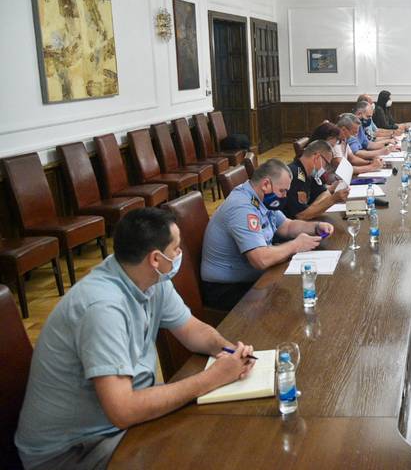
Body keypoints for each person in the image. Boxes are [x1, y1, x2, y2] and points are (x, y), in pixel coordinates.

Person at [15, 208, 256, 470]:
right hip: (75, 450)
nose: (180, 254)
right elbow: (123, 410)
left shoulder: (148, 278)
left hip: (114, 424)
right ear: (156, 258)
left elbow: (192, 330)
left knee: (215, 437)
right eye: (176, 248)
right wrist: (212, 378)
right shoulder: (103, 308)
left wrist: (229, 351)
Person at [200, 159, 333, 310]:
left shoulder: (262, 197)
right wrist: (296, 245)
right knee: (292, 301)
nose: (284, 196)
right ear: (265, 184)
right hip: (226, 288)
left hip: (251, 277)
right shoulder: (242, 208)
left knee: (300, 288)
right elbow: (260, 259)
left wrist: (316, 227)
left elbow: (287, 226)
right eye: (282, 191)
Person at [280, 140, 348, 220]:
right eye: (326, 164)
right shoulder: (294, 175)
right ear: (317, 157)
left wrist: (312, 209)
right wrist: (333, 200)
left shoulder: (311, 172)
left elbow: (324, 193)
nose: (325, 169)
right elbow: (301, 215)